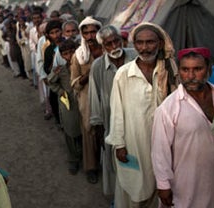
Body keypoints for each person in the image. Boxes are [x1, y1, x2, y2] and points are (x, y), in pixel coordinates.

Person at [105, 22, 178, 207]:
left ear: (160, 44)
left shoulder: (168, 71)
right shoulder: (123, 74)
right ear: (134, 44)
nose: (144, 48)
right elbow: (117, 112)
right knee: (134, 186)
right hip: (133, 142)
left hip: (164, 142)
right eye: (140, 42)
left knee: (162, 183)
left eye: (150, 42)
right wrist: (119, 144)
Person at [151, 47, 214, 207]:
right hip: (186, 183)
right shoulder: (169, 107)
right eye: (185, 70)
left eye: (197, 69)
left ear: (208, 69)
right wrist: (163, 185)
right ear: (179, 71)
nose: (191, 76)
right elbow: (159, 150)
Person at [88, 25, 137, 196]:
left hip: (137, 120)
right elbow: (95, 98)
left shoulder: (135, 57)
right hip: (112, 123)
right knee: (116, 162)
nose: (114, 47)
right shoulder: (97, 66)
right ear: (103, 47)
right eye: (109, 44)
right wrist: (99, 128)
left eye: (117, 41)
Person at [70, 16, 102, 184]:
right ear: (82, 34)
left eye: (93, 32)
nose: (90, 36)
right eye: (86, 32)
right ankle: (91, 168)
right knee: (89, 132)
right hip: (87, 98)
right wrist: (89, 75)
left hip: (106, 96)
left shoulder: (107, 49)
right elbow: (74, 83)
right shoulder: (78, 56)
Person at [47, 39, 82, 175]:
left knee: (84, 131)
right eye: (66, 54)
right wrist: (61, 92)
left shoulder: (81, 66)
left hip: (82, 102)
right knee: (70, 131)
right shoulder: (60, 70)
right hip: (69, 104)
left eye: (72, 52)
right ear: (61, 56)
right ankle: (73, 160)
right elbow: (51, 82)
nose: (69, 56)